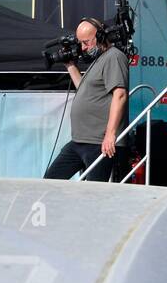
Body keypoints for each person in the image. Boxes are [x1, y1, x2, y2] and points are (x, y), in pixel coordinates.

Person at [44, 17, 129, 182]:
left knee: (93, 193)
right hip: (79, 141)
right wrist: (70, 65)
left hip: (99, 142)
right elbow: (83, 88)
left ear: (100, 37)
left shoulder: (114, 57)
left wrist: (110, 135)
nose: (83, 48)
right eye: (81, 43)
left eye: (86, 42)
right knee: (50, 181)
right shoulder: (99, 59)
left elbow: (120, 95)